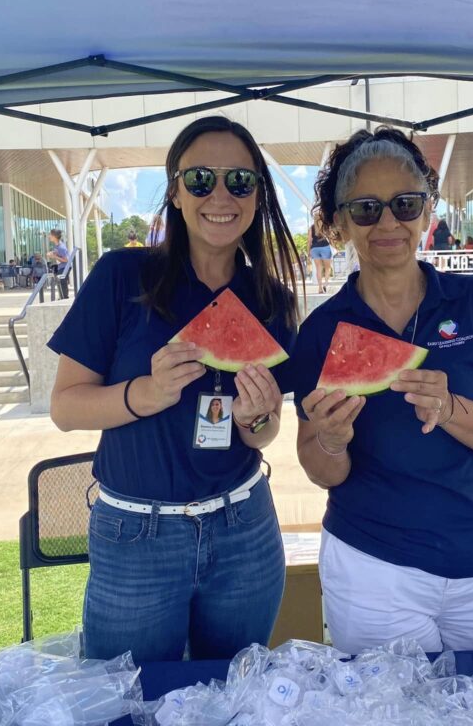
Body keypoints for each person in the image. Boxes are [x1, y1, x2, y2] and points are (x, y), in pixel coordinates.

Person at [47, 115, 301, 663]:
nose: (220, 196)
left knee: (234, 692)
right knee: (131, 698)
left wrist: (256, 419)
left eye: (240, 181)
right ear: (176, 192)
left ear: (258, 194)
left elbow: (265, 433)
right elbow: (65, 407)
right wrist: (146, 393)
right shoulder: (122, 276)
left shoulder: (272, 301)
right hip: (136, 534)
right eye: (201, 179)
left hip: (244, 529)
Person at [292, 126, 473, 654]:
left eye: (405, 204)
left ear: (427, 212)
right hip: (371, 569)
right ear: (341, 223)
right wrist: (331, 441)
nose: (388, 223)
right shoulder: (322, 331)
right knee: (391, 699)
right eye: (366, 209)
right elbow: (320, 469)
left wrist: (451, 408)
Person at [308, 221, 333, 294]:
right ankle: (325, 284)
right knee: (328, 268)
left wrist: (309, 252)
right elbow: (331, 238)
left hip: (314, 248)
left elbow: (309, 241)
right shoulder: (326, 226)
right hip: (325, 247)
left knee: (318, 269)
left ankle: (320, 288)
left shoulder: (311, 228)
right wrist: (334, 247)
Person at [46, 229, 70, 299]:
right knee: (60, 282)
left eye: (50, 235)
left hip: (64, 267)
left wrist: (54, 256)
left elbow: (66, 259)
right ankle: (62, 297)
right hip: (61, 266)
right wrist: (52, 253)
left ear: (54, 236)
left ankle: (64, 297)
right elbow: (58, 253)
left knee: (62, 282)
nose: (49, 236)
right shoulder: (57, 245)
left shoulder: (61, 247)